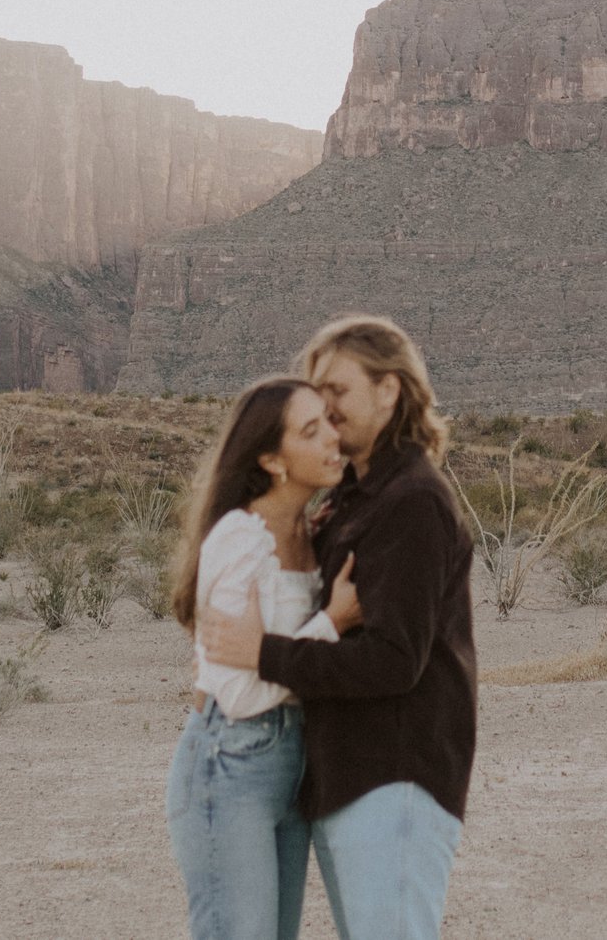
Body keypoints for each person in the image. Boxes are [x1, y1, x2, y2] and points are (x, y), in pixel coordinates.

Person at [197, 317, 475, 940]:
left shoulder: (411, 500)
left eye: (338, 391)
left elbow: (392, 659)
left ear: (389, 391)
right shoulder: (357, 497)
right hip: (352, 776)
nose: (326, 408)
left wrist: (263, 654)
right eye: (316, 396)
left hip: (395, 776)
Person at [166, 377, 361, 940]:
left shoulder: (313, 532)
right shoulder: (239, 539)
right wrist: (332, 623)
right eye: (311, 429)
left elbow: (272, 665)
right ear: (273, 460)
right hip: (232, 761)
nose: (333, 437)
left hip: (295, 761)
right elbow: (242, 692)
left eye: (329, 419)